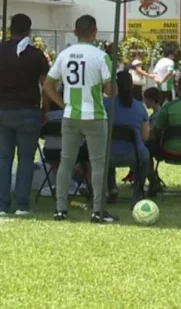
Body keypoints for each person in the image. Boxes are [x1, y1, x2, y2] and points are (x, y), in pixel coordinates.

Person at [43, 14, 115, 224]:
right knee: (98, 164)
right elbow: (111, 90)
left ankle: (60, 208)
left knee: (66, 162)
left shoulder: (65, 54)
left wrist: (61, 103)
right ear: (94, 32)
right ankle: (98, 210)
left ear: (75, 32)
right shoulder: (100, 56)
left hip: (71, 115)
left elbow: (48, 85)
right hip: (94, 115)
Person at [0, 13, 49, 217]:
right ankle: (22, 204)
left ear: (9, 29)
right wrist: (45, 109)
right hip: (28, 110)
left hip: (1, 110)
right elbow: (46, 86)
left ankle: (1, 204)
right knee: (26, 159)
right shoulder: (36, 55)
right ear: (29, 31)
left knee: (2, 158)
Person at [106, 70, 150, 206]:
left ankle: (111, 186)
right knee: (146, 158)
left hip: (107, 156)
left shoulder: (105, 104)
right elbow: (145, 136)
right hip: (134, 155)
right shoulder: (140, 107)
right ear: (132, 86)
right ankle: (137, 192)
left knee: (105, 146)